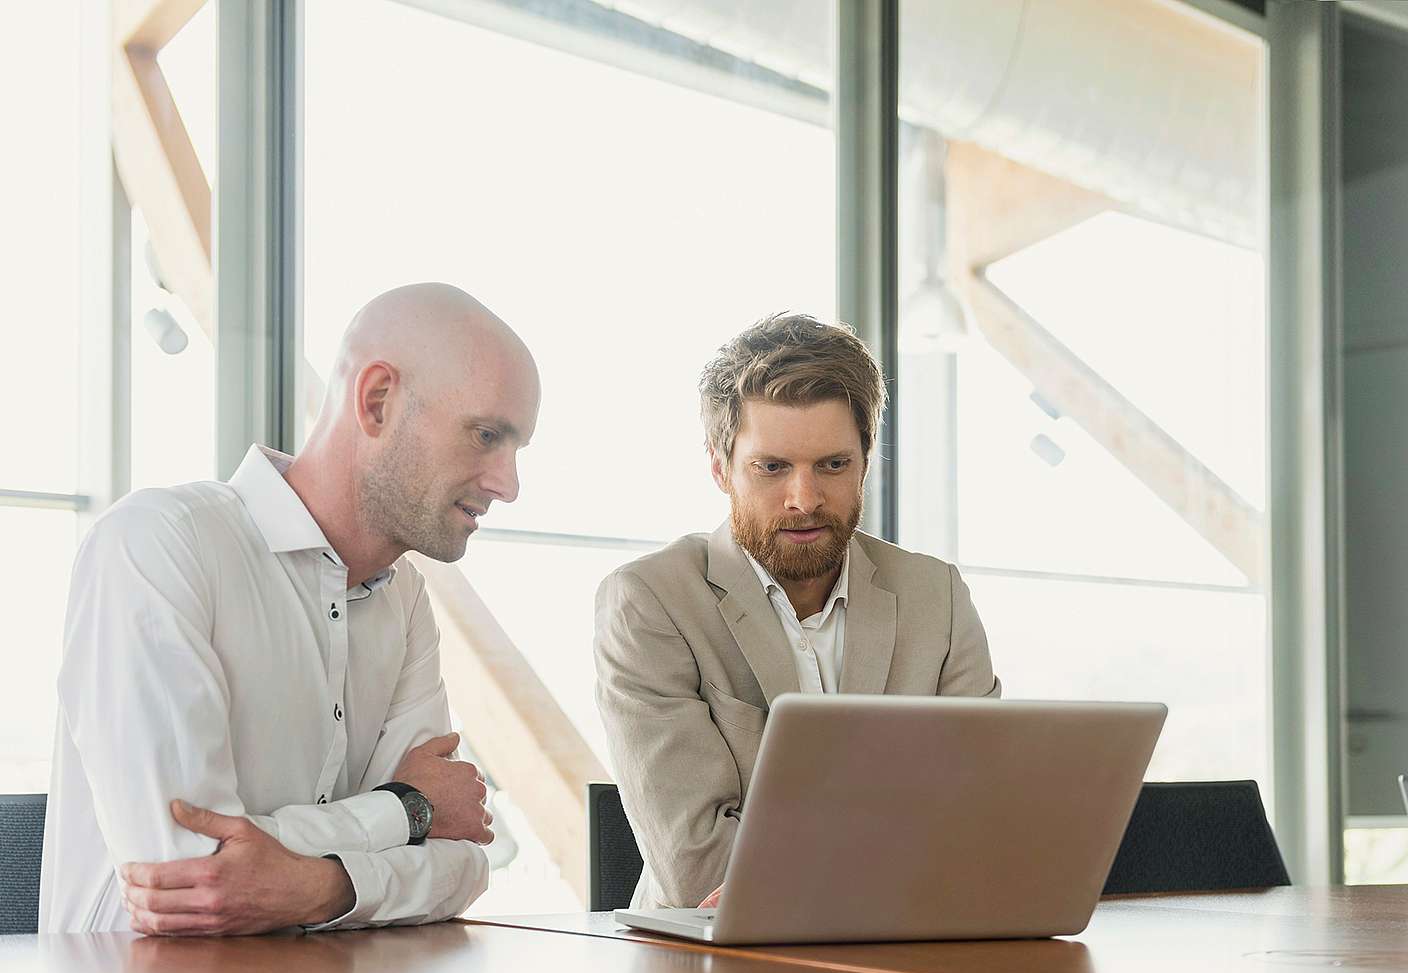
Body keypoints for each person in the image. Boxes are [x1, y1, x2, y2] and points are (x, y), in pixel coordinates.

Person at [41, 282, 540, 934]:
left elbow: (464, 858)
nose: (509, 484)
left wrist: (322, 887)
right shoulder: (158, 544)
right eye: (485, 436)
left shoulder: (405, 598)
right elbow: (194, 872)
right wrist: (405, 810)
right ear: (378, 400)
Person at [593, 313, 999, 911]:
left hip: (908, 959)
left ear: (866, 458)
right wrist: (902, 856)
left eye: (833, 465)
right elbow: (697, 868)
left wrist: (801, 875)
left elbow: (982, 823)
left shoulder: (934, 596)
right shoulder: (651, 602)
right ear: (719, 466)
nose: (804, 500)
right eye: (772, 467)